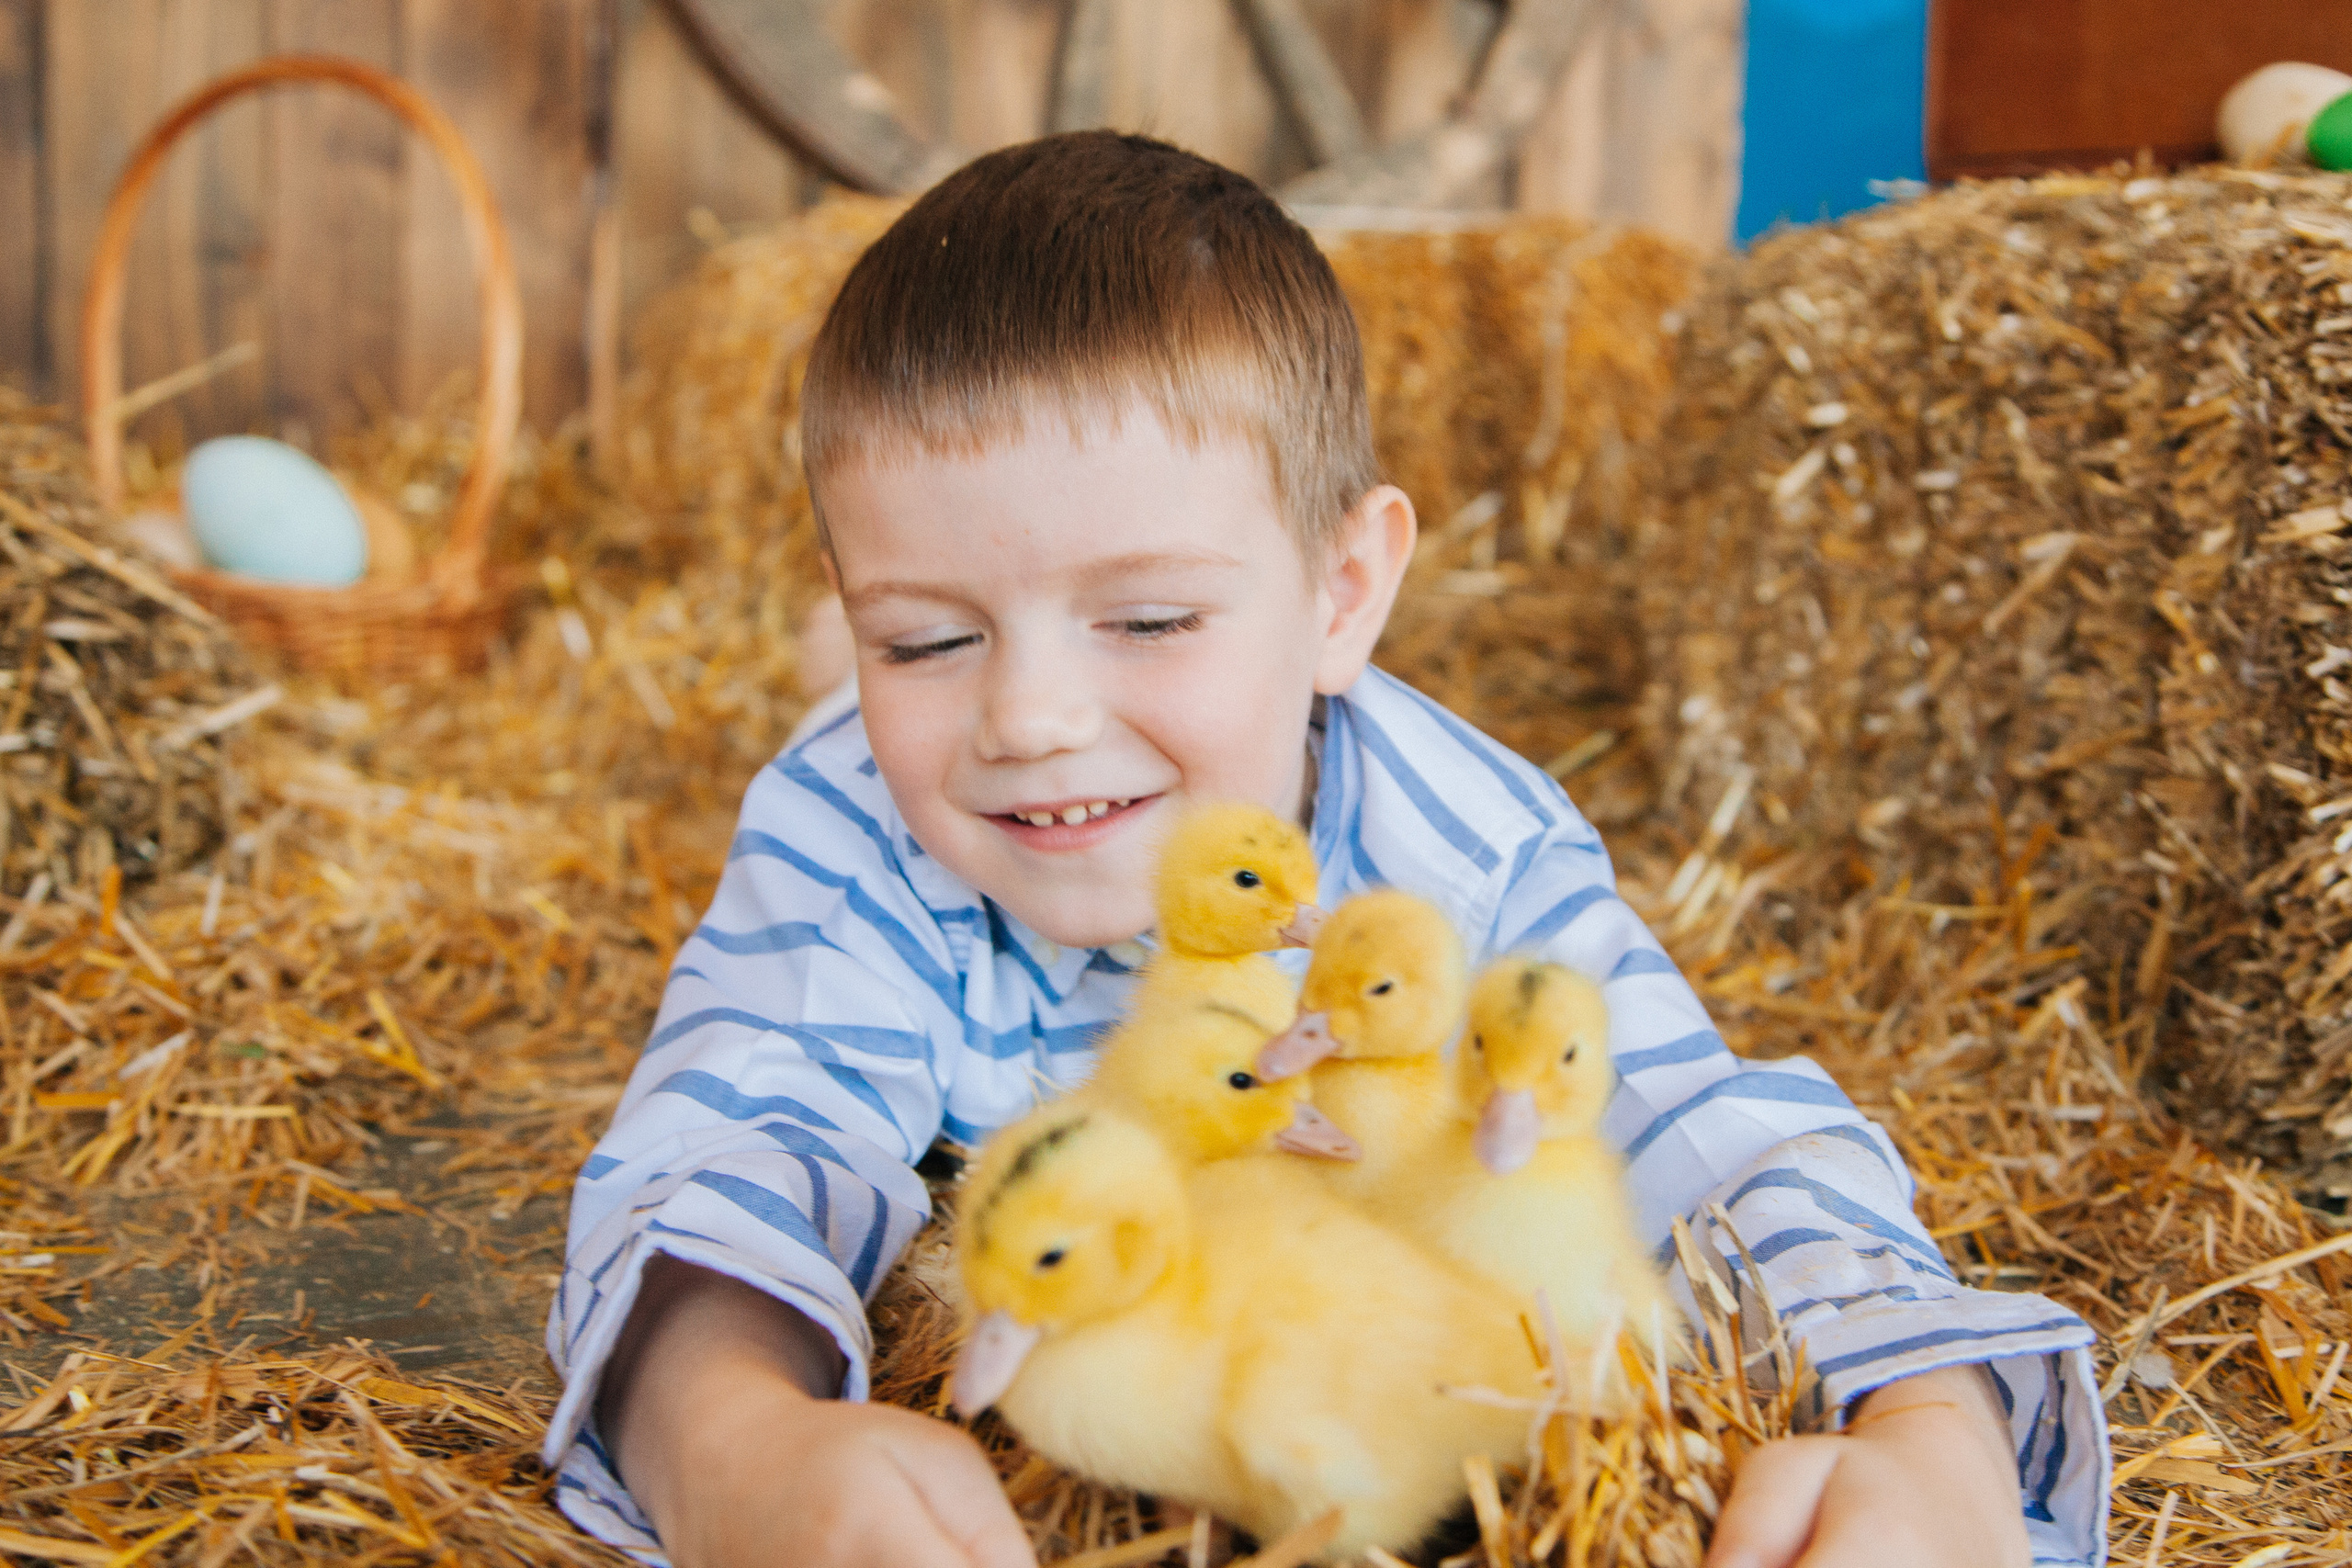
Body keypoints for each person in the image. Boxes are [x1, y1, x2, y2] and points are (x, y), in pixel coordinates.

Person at [544, 131, 2106, 1568]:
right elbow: (731, 1143)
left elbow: (1712, 1133)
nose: (1027, 719)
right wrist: (731, 1445)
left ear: (1345, 594)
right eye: (928, 638)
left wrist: (1931, 1432)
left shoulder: (1465, 853)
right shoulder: (852, 825)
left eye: (1149, 619)